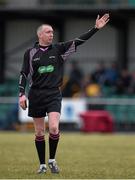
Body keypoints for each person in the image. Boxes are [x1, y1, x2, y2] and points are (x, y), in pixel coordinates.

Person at [19, 13, 110, 174]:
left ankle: (52, 161)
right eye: (48, 32)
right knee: (39, 132)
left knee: (53, 128)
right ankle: (42, 165)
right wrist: (21, 94)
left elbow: (78, 41)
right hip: (36, 94)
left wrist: (95, 29)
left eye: (52, 32)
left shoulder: (59, 49)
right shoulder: (30, 53)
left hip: (53, 93)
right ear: (40, 34)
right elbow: (24, 74)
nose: (51, 34)